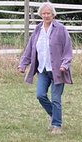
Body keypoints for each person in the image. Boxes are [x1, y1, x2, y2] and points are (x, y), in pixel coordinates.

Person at [17, 2, 73, 134]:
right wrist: (23, 64)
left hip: (58, 70)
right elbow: (30, 48)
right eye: (44, 13)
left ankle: (57, 126)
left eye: (48, 13)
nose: (46, 15)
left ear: (53, 14)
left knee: (55, 98)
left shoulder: (61, 29)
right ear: (41, 15)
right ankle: (55, 116)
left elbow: (68, 49)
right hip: (43, 69)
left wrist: (65, 64)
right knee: (40, 95)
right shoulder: (37, 29)